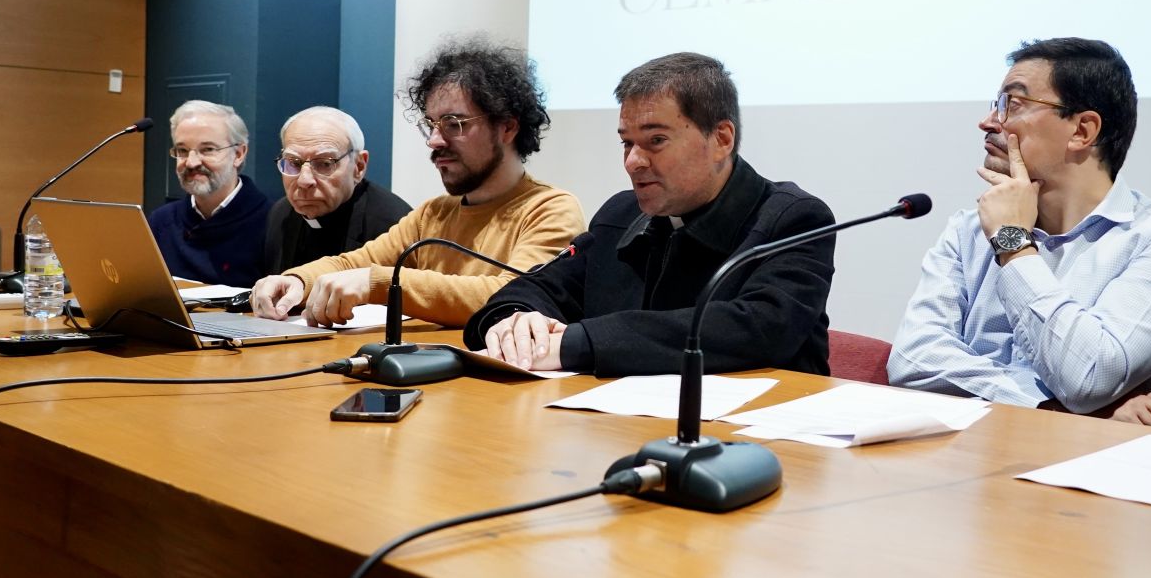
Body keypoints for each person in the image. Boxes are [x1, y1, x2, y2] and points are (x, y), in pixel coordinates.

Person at [887, 38, 1151, 424]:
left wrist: (1013, 245)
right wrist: (1045, 408)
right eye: (996, 103)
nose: (990, 121)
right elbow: (913, 359)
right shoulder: (969, 229)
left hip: (1110, 471)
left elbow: (1088, 377)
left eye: (1013, 103)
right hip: (977, 455)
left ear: (1082, 130)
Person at [464, 52, 835, 376]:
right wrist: (516, 321)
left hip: (758, 440)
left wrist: (580, 342)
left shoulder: (794, 219)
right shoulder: (620, 214)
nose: (633, 162)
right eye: (627, 142)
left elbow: (760, 328)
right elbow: (543, 286)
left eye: (656, 141)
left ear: (722, 139)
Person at [250, 41, 583, 328]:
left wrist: (379, 283)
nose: (434, 140)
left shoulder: (550, 209)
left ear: (507, 128)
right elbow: (355, 262)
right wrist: (295, 280)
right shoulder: (434, 214)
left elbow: (510, 295)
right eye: (432, 125)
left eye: (454, 124)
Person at [262, 106, 411, 274]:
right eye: (294, 163)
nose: (304, 180)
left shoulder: (395, 226)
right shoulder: (281, 213)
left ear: (359, 166)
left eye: (325, 164)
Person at [148, 100, 271, 285]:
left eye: (207, 150)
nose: (191, 162)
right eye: (182, 151)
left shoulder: (272, 222)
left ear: (238, 154)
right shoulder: (161, 221)